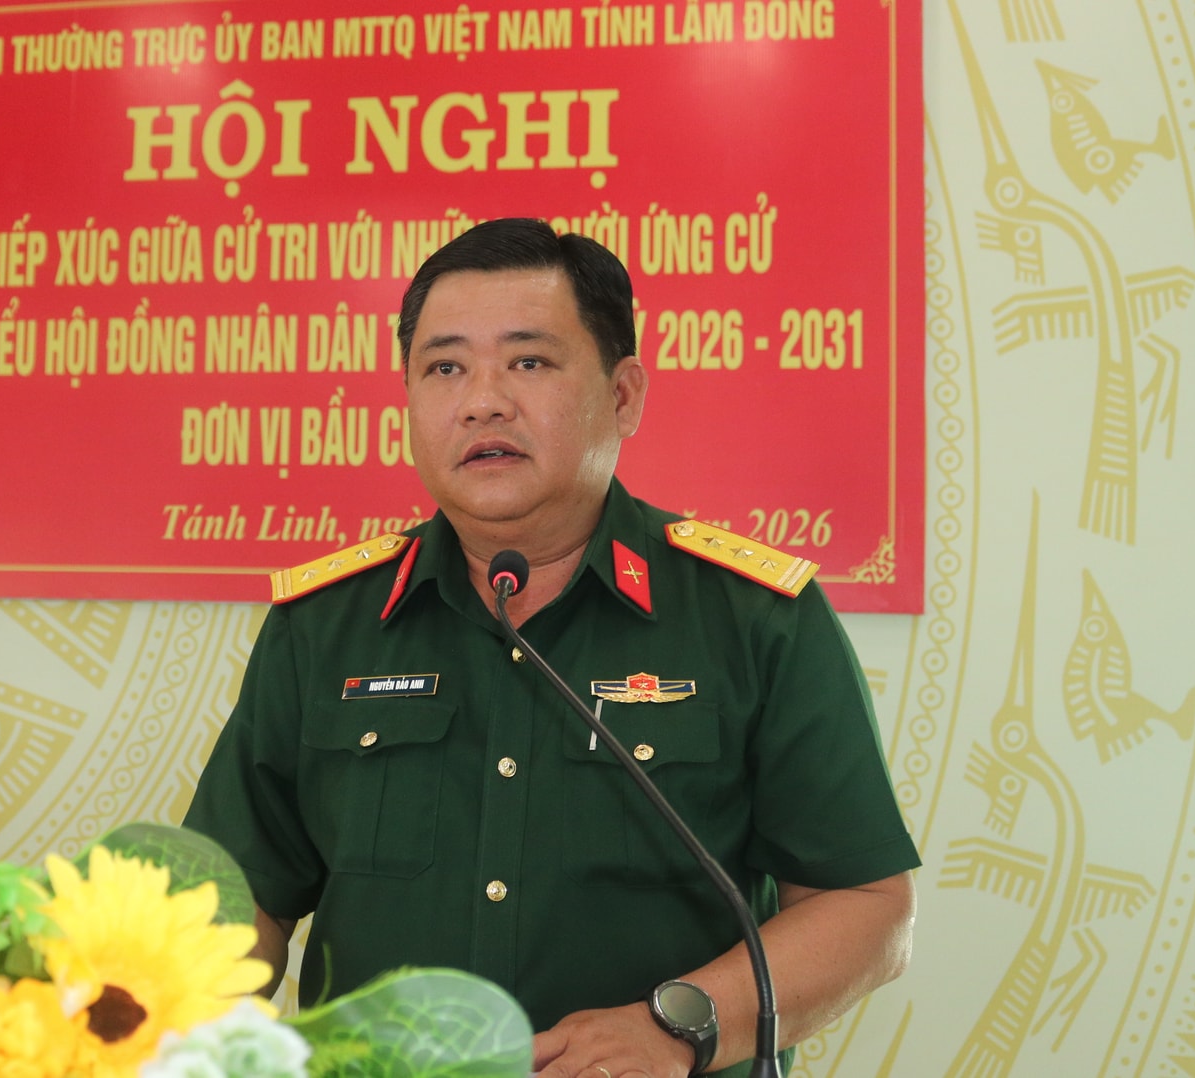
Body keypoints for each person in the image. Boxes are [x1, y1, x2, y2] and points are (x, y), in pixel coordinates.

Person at [183, 217, 919, 1078]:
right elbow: (242, 900)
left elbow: (865, 903)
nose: (482, 401)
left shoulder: (752, 617)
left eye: (528, 362)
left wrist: (682, 1026)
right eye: (444, 368)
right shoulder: (325, 625)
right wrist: (177, 1026)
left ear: (624, 395)